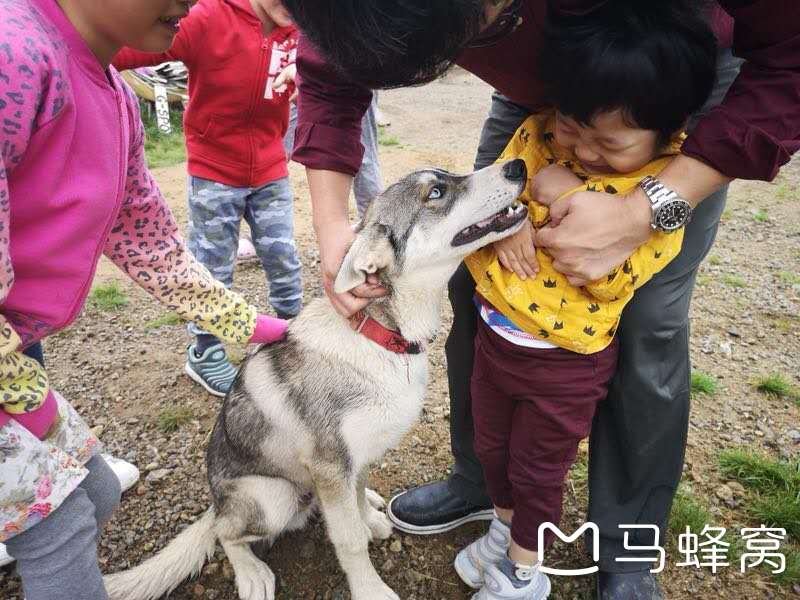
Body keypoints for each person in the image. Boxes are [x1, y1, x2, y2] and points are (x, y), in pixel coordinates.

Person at [280, 0, 800, 596]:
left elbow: (793, 53)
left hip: (664, 86)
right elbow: (330, 69)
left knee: (650, 319)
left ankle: (626, 543)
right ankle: (484, 482)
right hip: (541, 107)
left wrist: (646, 208)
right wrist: (332, 230)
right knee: (475, 275)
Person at [0, 1, 289, 598]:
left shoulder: (116, 98)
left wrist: (262, 327)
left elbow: (152, 245)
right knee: (61, 528)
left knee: (98, 492)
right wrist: (31, 405)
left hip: (17, 350)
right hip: (8, 367)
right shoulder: (13, 55)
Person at [451, 3, 717, 597]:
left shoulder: (660, 188)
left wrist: (580, 192)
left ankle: (524, 571)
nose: (583, 150)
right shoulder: (541, 131)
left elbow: (612, 281)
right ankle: (500, 528)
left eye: (609, 143)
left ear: (664, 132)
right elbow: (494, 188)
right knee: (494, 449)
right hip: (497, 340)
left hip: (564, 363)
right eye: (572, 128)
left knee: (537, 469)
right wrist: (511, 215)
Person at [114, 0, 303, 397]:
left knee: (283, 255)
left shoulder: (300, 33)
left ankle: (296, 337)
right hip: (215, 168)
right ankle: (205, 351)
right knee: (212, 261)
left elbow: (334, 71)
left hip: (270, 166)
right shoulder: (209, 17)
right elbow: (125, 47)